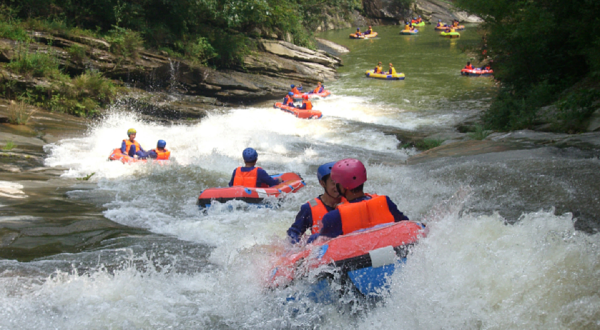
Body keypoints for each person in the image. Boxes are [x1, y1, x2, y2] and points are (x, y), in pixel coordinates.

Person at [309, 158, 409, 242]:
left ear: (343, 187)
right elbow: (406, 224)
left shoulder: (334, 217)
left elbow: (320, 243)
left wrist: (310, 238)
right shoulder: (385, 202)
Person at [287, 162, 341, 244]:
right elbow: (294, 233)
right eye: (333, 183)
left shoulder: (350, 201)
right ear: (322, 183)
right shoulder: (308, 208)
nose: (338, 187)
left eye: (340, 182)